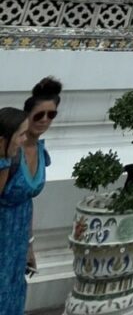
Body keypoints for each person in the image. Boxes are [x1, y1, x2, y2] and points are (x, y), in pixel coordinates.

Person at [21, 76, 62, 279]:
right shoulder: (9, 150)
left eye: (51, 114)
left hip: (19, 232)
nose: (45, 119)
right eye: (39, 115)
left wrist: (30, 246)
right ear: (27, 115)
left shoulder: (40, 150)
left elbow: (26, 202)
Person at [0, 107, 31, 315]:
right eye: (20, 134)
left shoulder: (10, 161)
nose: (24, 139)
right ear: (3, 139)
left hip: (13, 248)